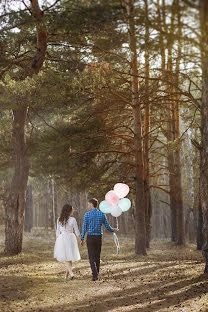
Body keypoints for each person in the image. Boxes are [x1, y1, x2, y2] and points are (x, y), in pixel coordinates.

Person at [81, 198, 118, 281]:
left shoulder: (87, 215)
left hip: (90, 237)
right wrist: (113, 230)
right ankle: (96, 273)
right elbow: (107, 226)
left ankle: (95, 275)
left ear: (91, 204)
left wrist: (82, 238)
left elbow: (84, 228)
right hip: (98, 237)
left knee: (91, 256)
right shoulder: (102, 214)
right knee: (97, 256)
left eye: (88, 205)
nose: (88, 206)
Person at [54, 204, 81, 280]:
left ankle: (66, 276)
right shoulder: (62, 219)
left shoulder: (66, 219)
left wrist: (57, 238)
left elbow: (57, 231)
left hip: (64, 238)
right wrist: (80, 238)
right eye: (72, 210)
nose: (73, 211)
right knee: (67, 257)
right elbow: (77, 231)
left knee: (69, 257)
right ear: (68, 211)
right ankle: (71, 273)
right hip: (68, 238)